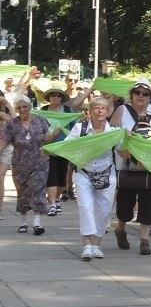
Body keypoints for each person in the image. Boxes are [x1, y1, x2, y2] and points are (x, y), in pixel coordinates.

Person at [110, 78, 151, 256]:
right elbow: (112, 134)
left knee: (148, 203)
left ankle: (144, 241)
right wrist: (126, 141)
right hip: (126, 162)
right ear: (131, 95)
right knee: (125, 204)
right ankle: (121, 229)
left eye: (145, 93)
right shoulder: (122, 110)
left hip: (149, 164)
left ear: (150, 97)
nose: (141, 96)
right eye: (137, 93)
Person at [64, 96, 119, 261]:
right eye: (96, 108)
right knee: (86, 208)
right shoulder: (80, 129)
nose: (100, 111)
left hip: (107, 174)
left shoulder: (114, 132)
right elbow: (67, 146)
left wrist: (128, 141)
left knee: (103, 211)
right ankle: (86, 245)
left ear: (108, 112)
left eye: (103, 108)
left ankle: (96, 245)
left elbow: (123, 152)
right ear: (90, 111)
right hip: (83, 174)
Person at [0, 96, 60, 235]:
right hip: (20, 163)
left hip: (40, 160)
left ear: (30, 107)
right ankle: (24, 221)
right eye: (19, 108)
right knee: (22, 192)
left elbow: (46, 139)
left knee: (37, 189)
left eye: (24, 107)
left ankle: (37, 223)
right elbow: (4, 142)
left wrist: (54, 135)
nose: (22, 110)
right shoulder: (12, 124)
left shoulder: (40, 120)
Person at [41, 83, 76, 215]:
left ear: (62, 98)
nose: (55, 97)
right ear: (49, 97)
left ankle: (56, 199)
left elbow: (74, 129)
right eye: (53, 95)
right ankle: (51, 204)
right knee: (51, 176)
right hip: (48, 149)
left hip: (64, 148)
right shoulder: (42, 111)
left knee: (62, 178)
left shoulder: (68, 111)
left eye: (58, 95)